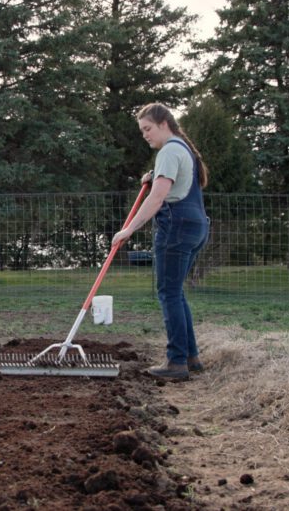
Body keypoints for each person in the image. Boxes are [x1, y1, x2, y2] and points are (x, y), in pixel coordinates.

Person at [112, 103, 210, 380]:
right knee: (176, 292)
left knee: (168, 293)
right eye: (142, 130)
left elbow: (157, 198)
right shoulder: (183, 148)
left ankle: (176, 362)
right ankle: (191, 357)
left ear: (164, 124)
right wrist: (154, 176)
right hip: (196, 226)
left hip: (176, 228)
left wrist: (128, 229)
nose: (145, 135)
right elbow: (175, 182)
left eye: (148, 129)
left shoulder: (168, 151)